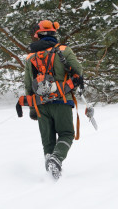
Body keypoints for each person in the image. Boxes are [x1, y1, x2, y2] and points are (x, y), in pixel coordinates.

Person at [18, 20, 84, 179]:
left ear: (38, 35)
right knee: (67, 134)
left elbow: (28, 85)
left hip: (41, 104)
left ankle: (51, 173)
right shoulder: (64, 50)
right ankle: (56, 159)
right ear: (54, 33)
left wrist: (33, 109)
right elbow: (79, 70)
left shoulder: (31, 57)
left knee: (48, 142)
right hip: (62, 101)